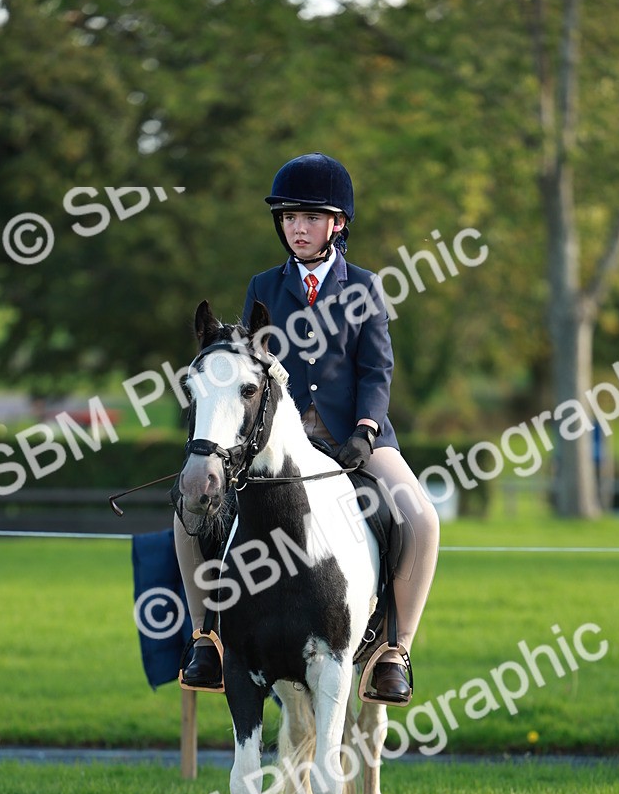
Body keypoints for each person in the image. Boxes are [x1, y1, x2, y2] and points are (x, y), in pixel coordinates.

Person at [176, 152, 440, 704]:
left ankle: (396, 650)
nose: (297, 228)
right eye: (290, 218)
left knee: (420, 518)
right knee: (189, 511)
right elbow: (242, 364)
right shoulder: (262, 286)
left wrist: (366, 430)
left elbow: (377, 371)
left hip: (355, 438)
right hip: (276, 444)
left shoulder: (365, 288)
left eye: (310, 218)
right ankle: (207, 639)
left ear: (336, 224)